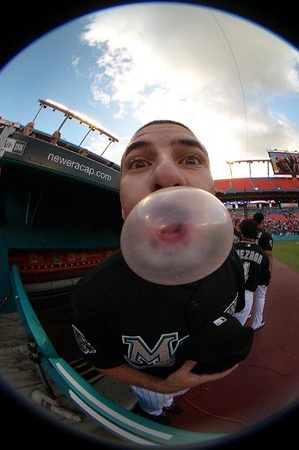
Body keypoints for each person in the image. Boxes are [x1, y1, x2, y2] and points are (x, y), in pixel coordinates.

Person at [72, 120, 251, 425]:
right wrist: (160, 387)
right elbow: (100, 360)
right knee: (155, 408)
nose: (167, 176)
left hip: (184, 378)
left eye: (190, 159)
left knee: (172, 398)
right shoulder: (92, 294)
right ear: (123, 207)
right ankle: (156, 411)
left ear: (212, 193)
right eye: (138, 163)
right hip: (148, 385)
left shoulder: (232, 263)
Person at [233, 219, 270, 326]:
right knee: (238, 327)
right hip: (247, 294)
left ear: (241, 231)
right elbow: (264, 280)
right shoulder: (261, 253)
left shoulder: (232, 249)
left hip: (230, 292)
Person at [252, 211, 274, 329]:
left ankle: (243, 316)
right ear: (262, 221)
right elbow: (269, 254)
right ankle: (256, 322)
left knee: (247, 293)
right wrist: (270, 270)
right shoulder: (265, 235)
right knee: (260, 296)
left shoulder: (248, 232)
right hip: (261, 268)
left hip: (248, 266)